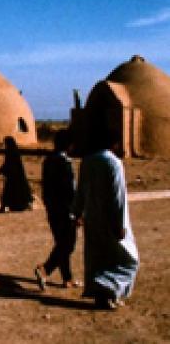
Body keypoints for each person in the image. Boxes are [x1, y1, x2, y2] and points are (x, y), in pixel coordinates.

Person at [72, 126, 139, 310]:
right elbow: (119, 196)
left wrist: (77, 212)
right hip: (111, 219)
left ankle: (106, 297)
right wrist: (120, 224)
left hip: (93, 218)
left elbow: (81, 191)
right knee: (129, 261)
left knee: (101, 258)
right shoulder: (113, 163)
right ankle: (106, 288)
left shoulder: (87, 161)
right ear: (114, 143)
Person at [34, 129, 80, 291]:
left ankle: (67, 278)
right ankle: (45, 269)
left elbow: (46, 189)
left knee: (62, 244)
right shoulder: (63, 163)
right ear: (68, 145)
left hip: (53, 210)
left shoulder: (49, 161)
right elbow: (69, 192)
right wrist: (75, 212)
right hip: (65, 211)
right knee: (68, 245)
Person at [0, 136, 33, 212]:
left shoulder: (11, 152)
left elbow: (10, 163)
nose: (4, 144)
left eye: (5, 143)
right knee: (15, 191)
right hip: (15, 176)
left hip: (14, 177)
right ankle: (18, 205)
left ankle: (5, 207)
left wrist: (2, 170)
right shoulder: (13, 151)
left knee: (9, 192)